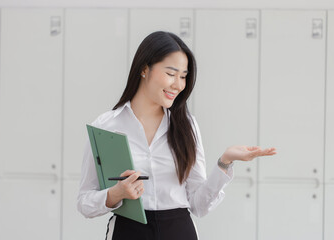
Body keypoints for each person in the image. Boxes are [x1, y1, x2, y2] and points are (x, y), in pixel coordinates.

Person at [77, 31, 277, 240]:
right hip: (127, 231)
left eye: (183, 76)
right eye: (171, 74)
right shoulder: (106, 125)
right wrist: (116, 193)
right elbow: (84, 202)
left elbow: (199, 205)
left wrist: (225, 163)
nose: (179, 85)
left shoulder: (186, 126)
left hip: (179, 231)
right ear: (144, 69)